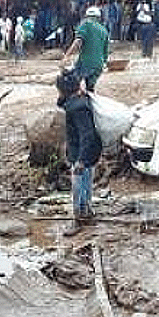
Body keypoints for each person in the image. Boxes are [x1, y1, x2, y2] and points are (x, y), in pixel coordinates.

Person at [56, 72, 102, 221]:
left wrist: (81, 160)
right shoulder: (79, 100)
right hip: (88, 151)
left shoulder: (77, 108)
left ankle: (80, 214)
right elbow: (61, 103)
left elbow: (86, 134)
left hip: (82, 153)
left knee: (80, 183)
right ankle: (86, 210)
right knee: (86, 182)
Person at [60, 6, 110, 92]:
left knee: (71, 82)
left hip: (86, 62)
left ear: (87, 16)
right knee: (90, 89)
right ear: (98, 17)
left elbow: (78, 41)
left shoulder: (86, 24)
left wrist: (67, 55)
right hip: (99, 65)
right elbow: (106, 52)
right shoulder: (104, 30)